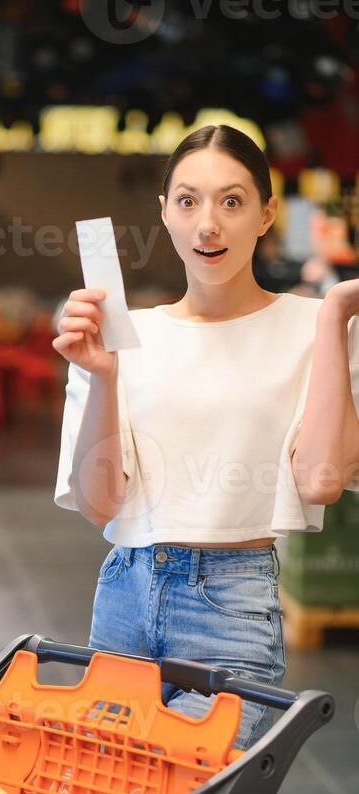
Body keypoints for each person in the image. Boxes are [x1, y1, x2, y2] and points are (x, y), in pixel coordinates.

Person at [53, 124, 359, 751]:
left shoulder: (315, 327)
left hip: (231, 604)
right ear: (164, 212)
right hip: (123, 592)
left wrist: (334, 314)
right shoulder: (120, 336)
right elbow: (99, 505)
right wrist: (104, 377)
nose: (208, 224)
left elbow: (322, 481)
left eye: (232, 200)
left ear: (266, 213)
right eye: (188, 200)